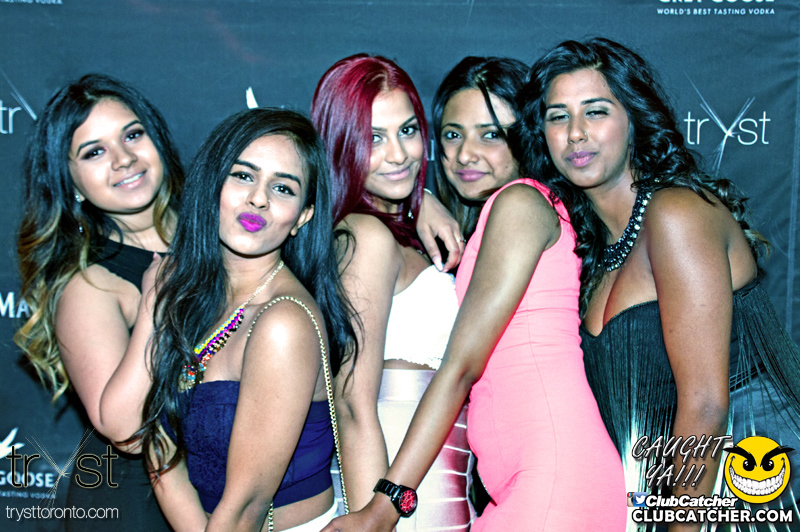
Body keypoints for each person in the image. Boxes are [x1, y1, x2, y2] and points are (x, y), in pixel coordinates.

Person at [322, 56, 627, 532]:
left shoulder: (520, 204)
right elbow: (353, 403)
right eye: (451, 134)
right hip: (497, 485)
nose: (466, 154)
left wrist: (383, 507)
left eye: (491, 135)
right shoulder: (434, 232)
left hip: (545, 480)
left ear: (526, 136)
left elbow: (461, 366)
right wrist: (419, 201)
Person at [516, 37, 800, 531]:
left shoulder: (675, 214)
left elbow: (706, 403)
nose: (576, 133)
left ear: (634, 119)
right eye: (558, 117)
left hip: (751, 477)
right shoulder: (590, 249)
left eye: (596, 111)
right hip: (674, 484)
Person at [137, 108, 355, 532]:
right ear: (212, 184)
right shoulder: (190, 300)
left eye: (283, 188)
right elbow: (156, 446)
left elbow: (247, 507)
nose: (259, 198)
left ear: (303, 216)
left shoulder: (283, 323)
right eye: (242, 176)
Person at [310, 54, 474, 531]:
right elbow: (352, 403)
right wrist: (373, 518)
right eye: (373, 138)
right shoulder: (365, 238)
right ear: (339, 144)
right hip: (396, 492)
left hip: (434, 484)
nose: (399, 154)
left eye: (407, 130)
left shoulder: (394, 230)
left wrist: (423, 203)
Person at [15, 73, 182, 531]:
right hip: (137, 508)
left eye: (133, 135)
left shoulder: (224, 237)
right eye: (94, 152)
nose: (124, 159)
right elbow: (127, 432)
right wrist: (155, 308)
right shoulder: (89, 285)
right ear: (69, 180)